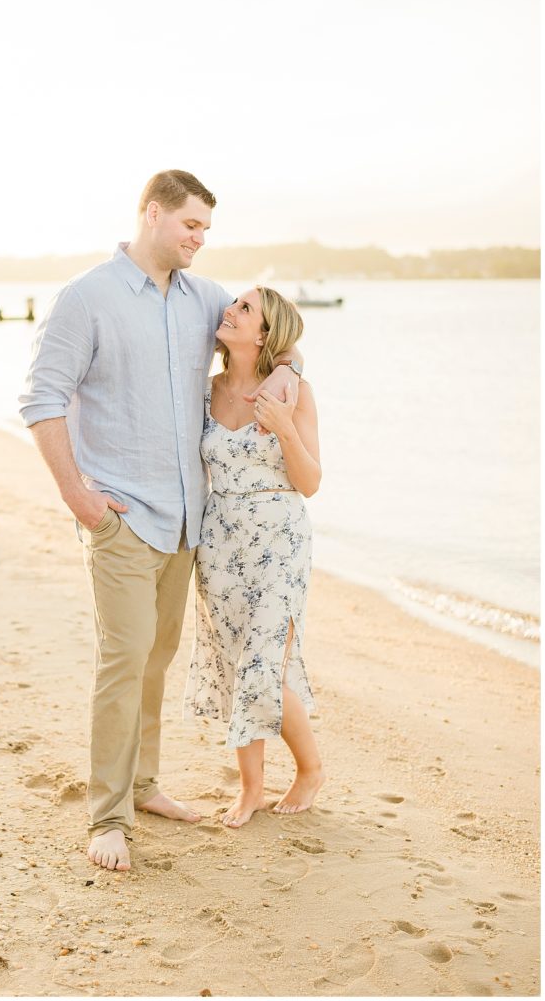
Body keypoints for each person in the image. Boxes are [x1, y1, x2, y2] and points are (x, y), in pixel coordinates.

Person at [18, 170, 301, 872]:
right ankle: (107, 817)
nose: (201, 240)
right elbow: (40, 401)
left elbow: (268, 338)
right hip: (118, 515)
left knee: (156, 660)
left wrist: (290, 371)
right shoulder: (86, 299)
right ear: (154, 214)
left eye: (207, 229)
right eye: (192, 225)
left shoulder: (205, 300)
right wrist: (78, 496)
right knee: (123, 659)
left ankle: (144, 786)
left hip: (185, 522)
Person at [184, 286, 325, 828]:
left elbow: (310, 482)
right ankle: (256, 785)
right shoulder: (205, 391)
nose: (230, 310)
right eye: (234, 303)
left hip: (279, 540)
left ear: (266, 334)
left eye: (245, 309)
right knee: (236, 664)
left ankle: (300, 775)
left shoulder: (296, 392)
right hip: (219, 539)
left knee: (263, 664)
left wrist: (285, 425)